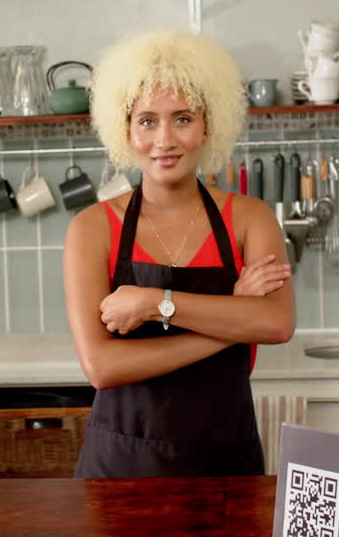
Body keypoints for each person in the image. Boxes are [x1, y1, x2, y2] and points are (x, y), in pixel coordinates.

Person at [65, 30, 295, 478]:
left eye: (182, 119)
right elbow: (102, 367)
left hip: (226, 463)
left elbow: (277, 324)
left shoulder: (250, 218)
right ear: (126, 131)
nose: (165, 139)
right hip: (122, 469)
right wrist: (233, 321)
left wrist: (154, 303)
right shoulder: (92, 229)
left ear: (208, 125)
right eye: (147, 121)